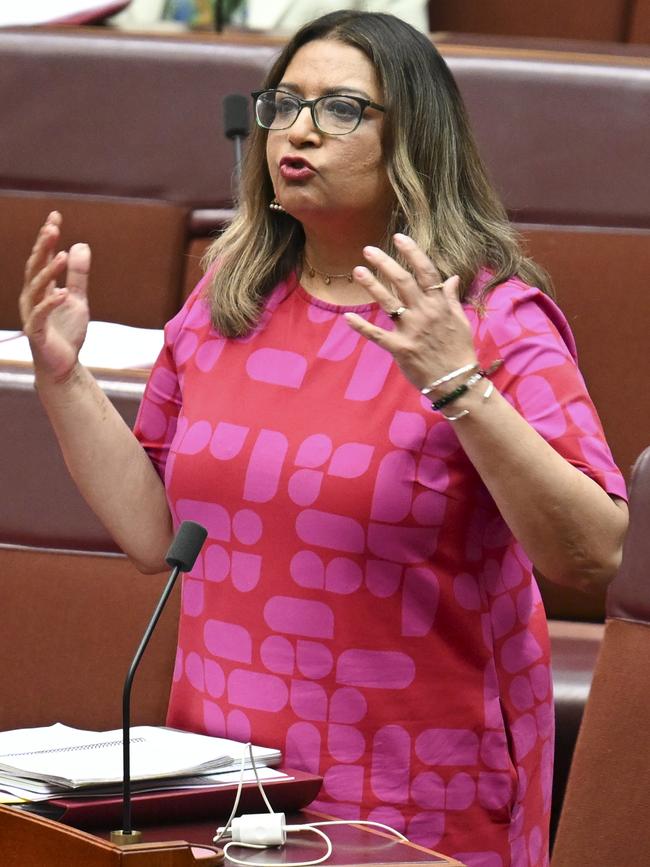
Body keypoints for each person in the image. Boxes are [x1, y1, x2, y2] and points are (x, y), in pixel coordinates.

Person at [20, 11, 627, 866]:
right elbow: (157, 536)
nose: (297, 130)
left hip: (415, 802)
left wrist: (459, 385)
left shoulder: (491, 318)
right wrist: (63, 377)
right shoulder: (231, 301)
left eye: (341, 108)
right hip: (228, 794)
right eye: (284, 104)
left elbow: (595, 552)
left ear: (414, 139)